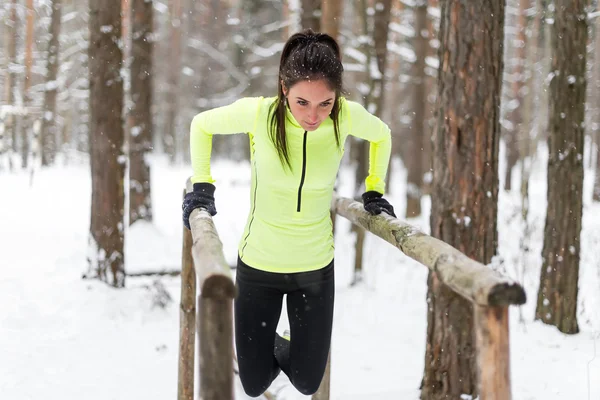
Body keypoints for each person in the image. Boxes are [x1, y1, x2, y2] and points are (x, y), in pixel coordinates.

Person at [182, 29, 396, 397]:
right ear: (284, 88)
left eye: (324, 104)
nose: (313, 116)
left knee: (307, 381)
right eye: (301, 103)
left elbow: (382, 135)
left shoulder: (344, 118)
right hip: (259, 265)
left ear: (336, 98)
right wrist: (203, 185)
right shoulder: (260, 115)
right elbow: (201, 125)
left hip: (314, 268)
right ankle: (274, 344)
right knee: (252, 383)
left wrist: (374, 187)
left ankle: (287, 343)